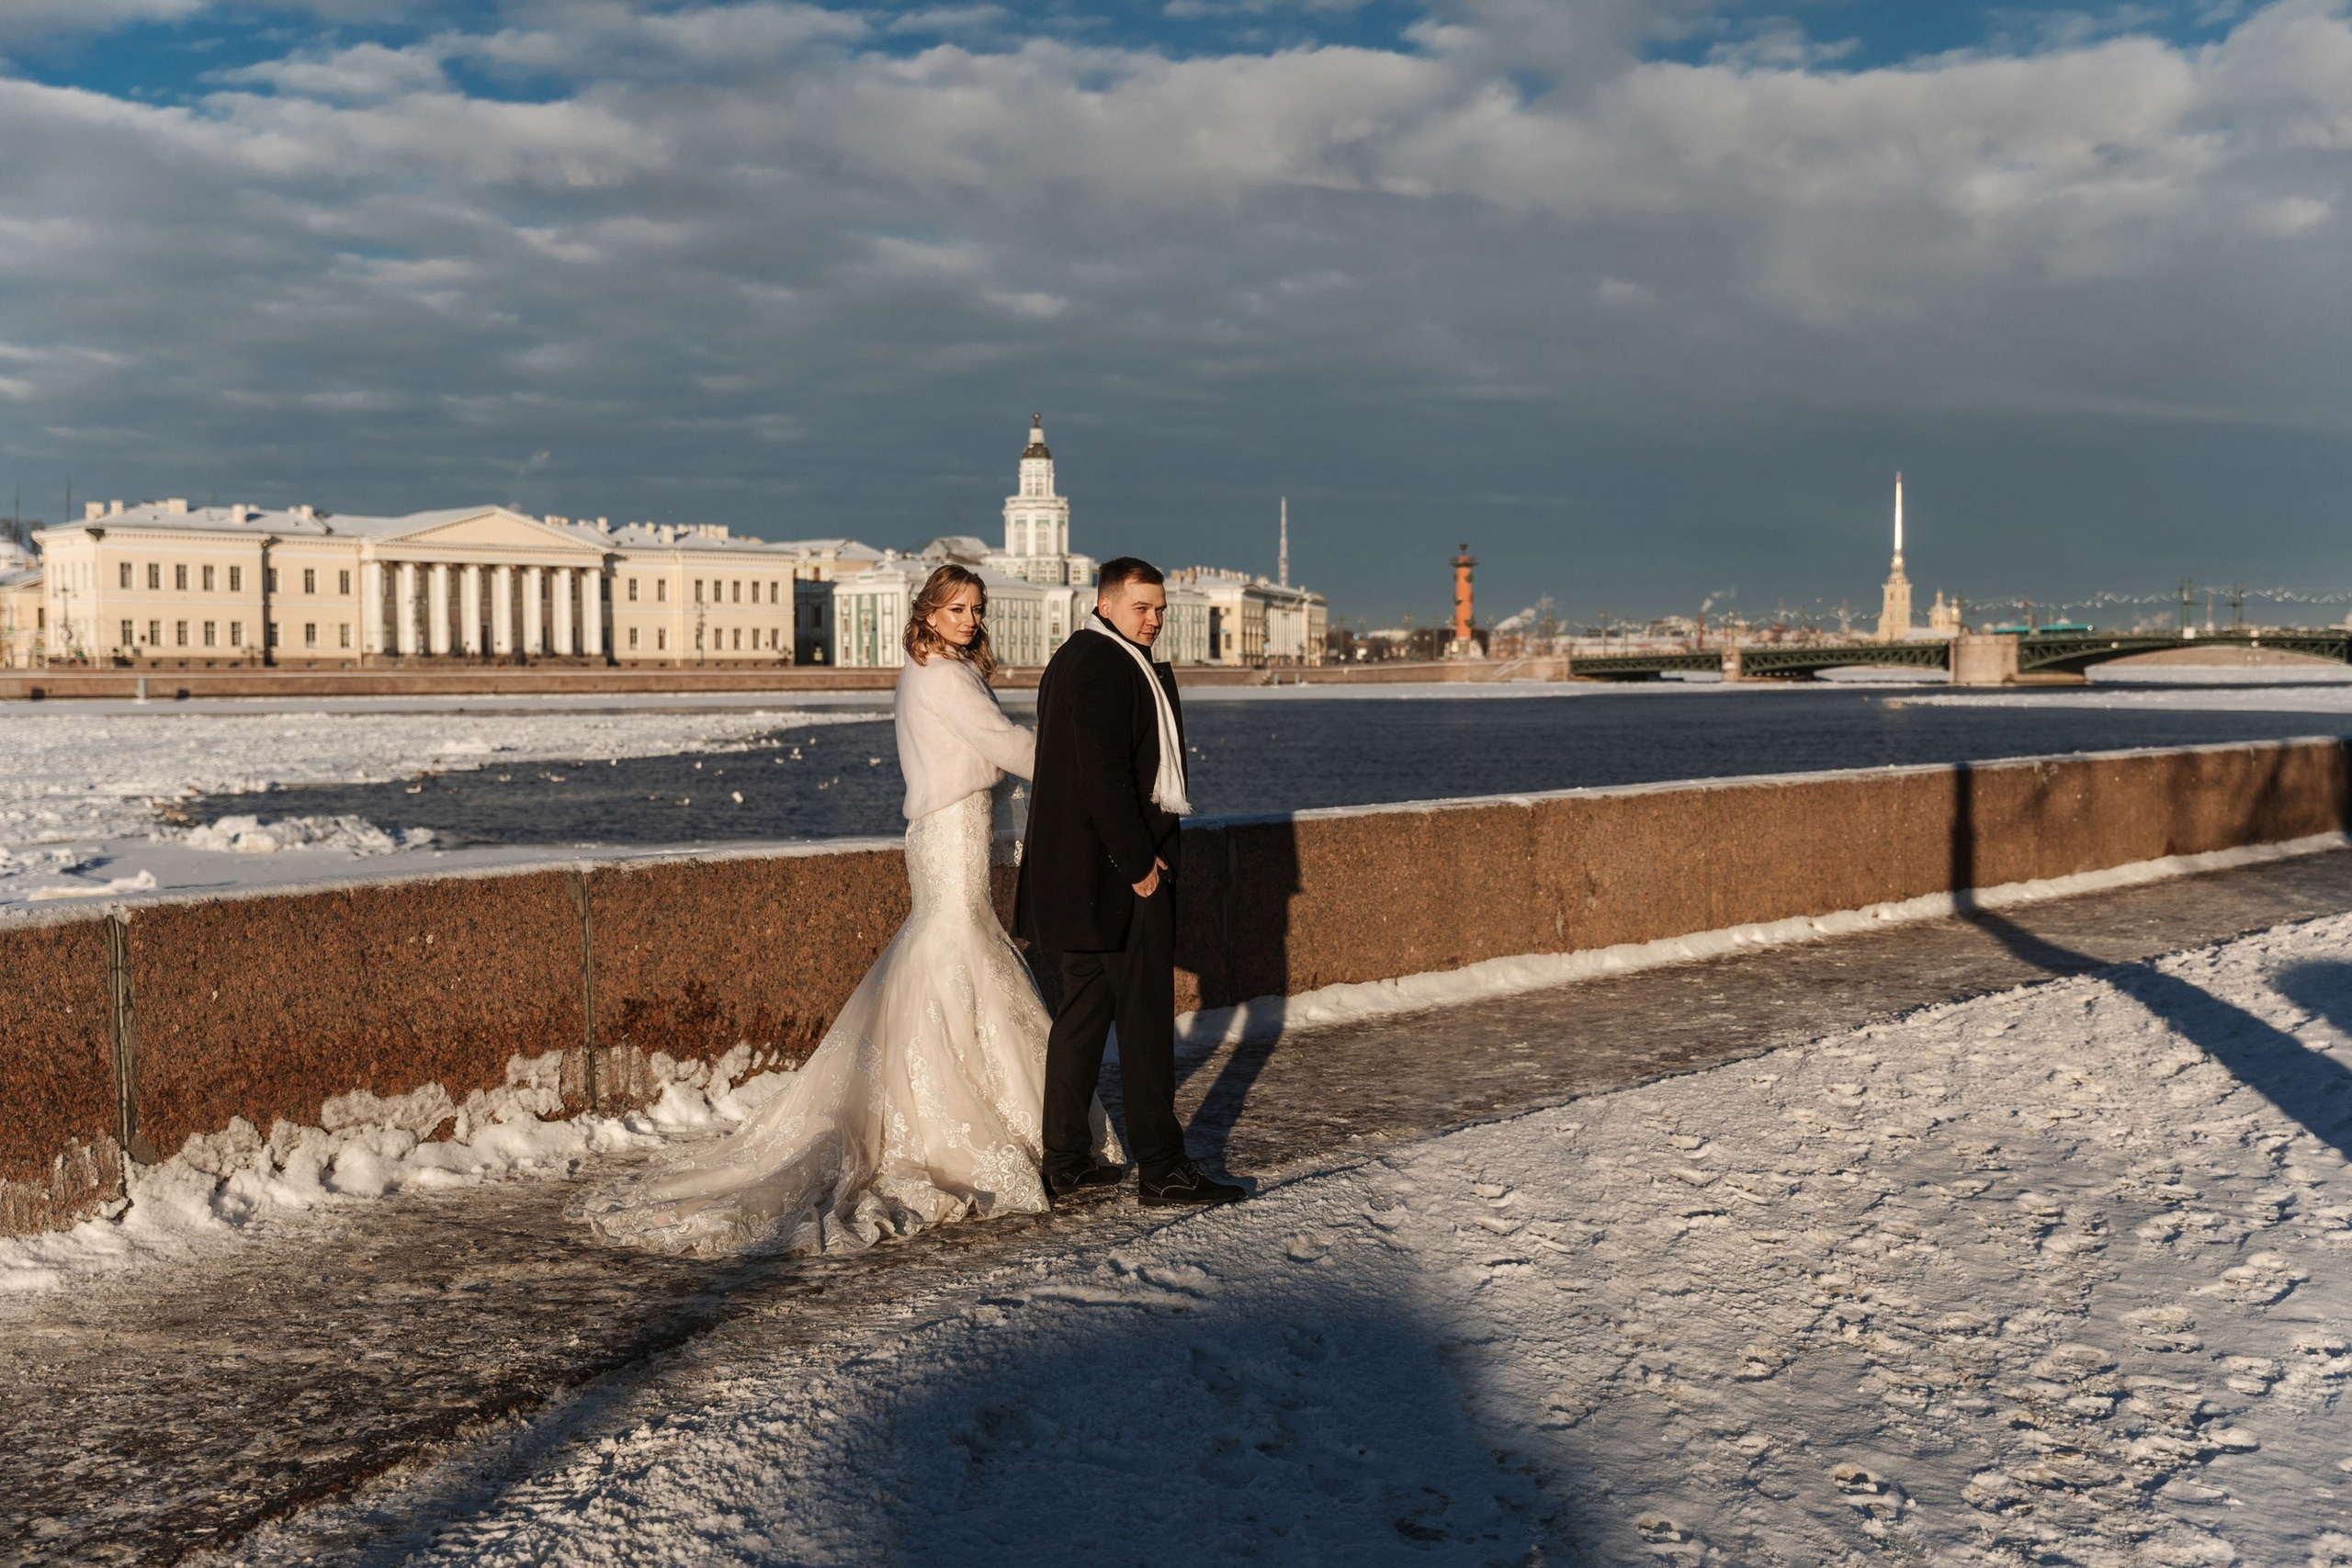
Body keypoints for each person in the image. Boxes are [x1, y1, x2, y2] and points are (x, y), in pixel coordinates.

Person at [584, 564, 1115, 1256]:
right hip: (952, 830)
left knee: (948, 958)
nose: (971, 619)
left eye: (976, 609)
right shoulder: (946, 677)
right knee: (959, 956)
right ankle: (986, 1129)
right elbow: (1009, 746)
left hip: (941, 831)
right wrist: (1085, 760)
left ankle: (994, 1117)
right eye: (958, 608)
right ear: (928, 611)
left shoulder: (923, 669)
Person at [1016, 557, 1247, 1207]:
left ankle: (1064, 1158)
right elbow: (1103, 777)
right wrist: (1140, 865)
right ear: (1107, 601)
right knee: (1144, 1023)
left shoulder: (1081, 657)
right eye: (1143, 607)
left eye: (1161, 609)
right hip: (1118, 879)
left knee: (1083, 1017)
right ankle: (1163, 1167)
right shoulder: (1100, 662)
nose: (1155, 620)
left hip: (1089, 878)